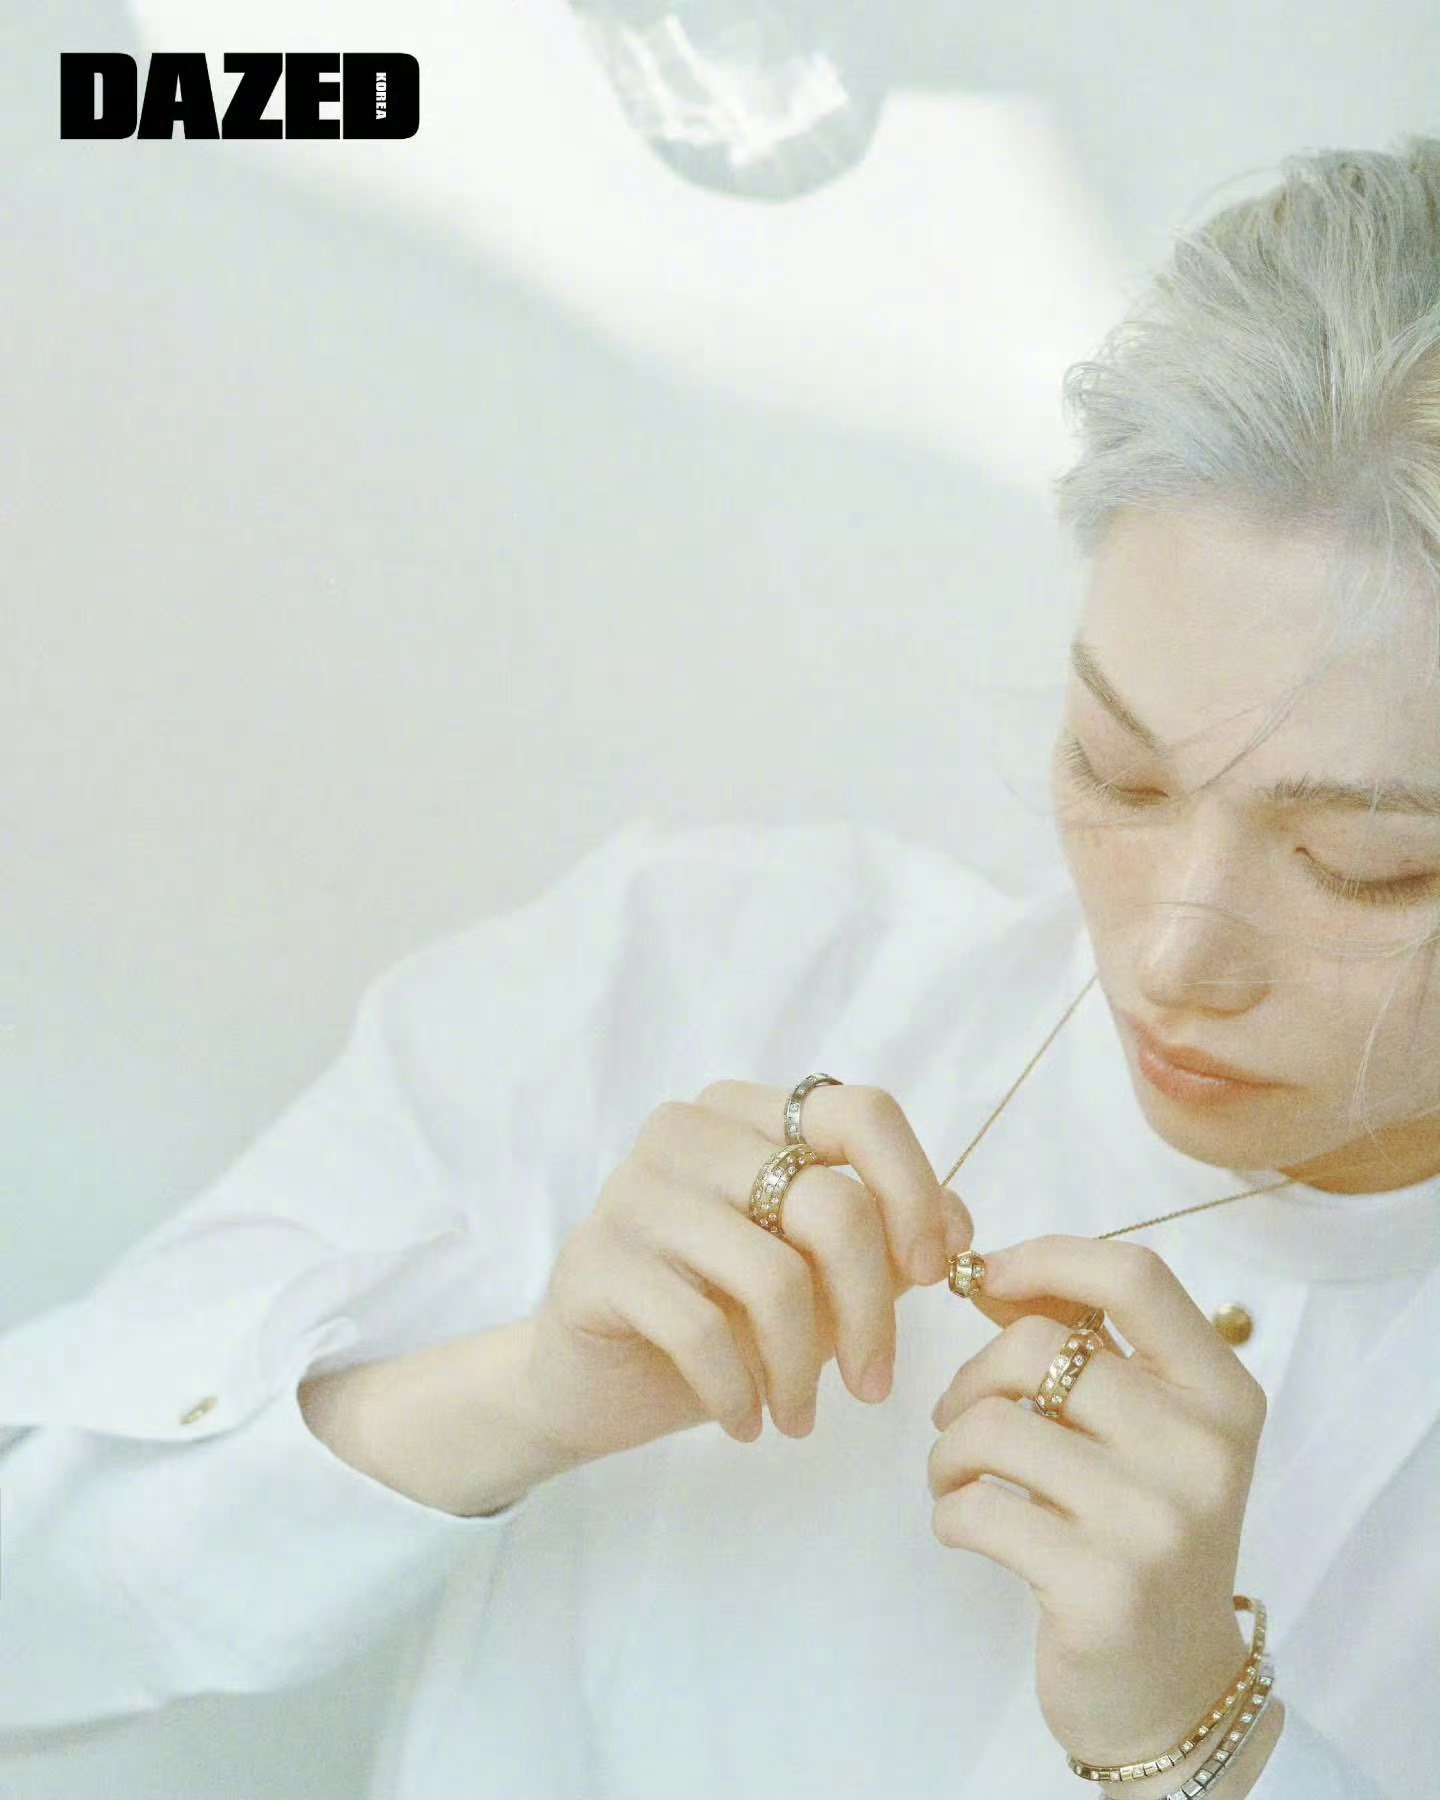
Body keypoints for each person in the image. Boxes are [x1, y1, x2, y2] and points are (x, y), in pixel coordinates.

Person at [1, 135, 1435, 1800]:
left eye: (1365, 865)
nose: (1176, 957)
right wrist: (517, 1394)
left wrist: (1207, 1749)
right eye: (1118, 773)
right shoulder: (690, 979)